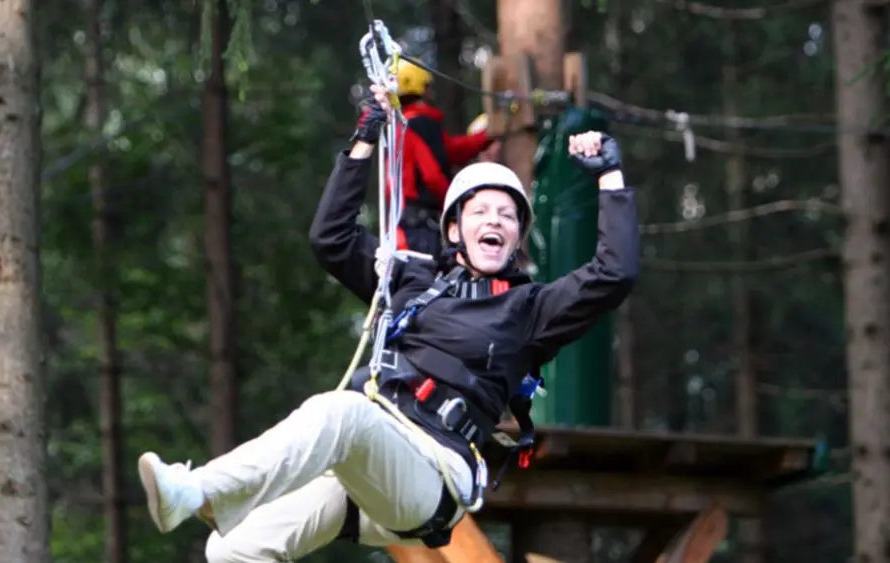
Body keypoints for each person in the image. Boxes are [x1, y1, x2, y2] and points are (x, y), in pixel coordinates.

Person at [135, 84, 639, 562]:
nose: (494, 221)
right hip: (367, 461)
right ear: (454, 230)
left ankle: (197, 490)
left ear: (515, 238)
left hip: (433, 473)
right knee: (230, 550)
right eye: (481, 211)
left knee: (342, 412)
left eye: (507, 216)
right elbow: (331, 240)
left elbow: (613, 274)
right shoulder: (411, 282)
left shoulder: (530, 309)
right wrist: (364, 139)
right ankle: (203, 501)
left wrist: (609, 177)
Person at [385, 59, 496, 256]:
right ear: (421, 87)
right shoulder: (422, 124)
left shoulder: (399, 128)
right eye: (429, 86)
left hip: (400, 225)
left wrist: (487, 135)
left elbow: (451, 150)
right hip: (420, 226)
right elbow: (432, 175)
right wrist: (458, 205)